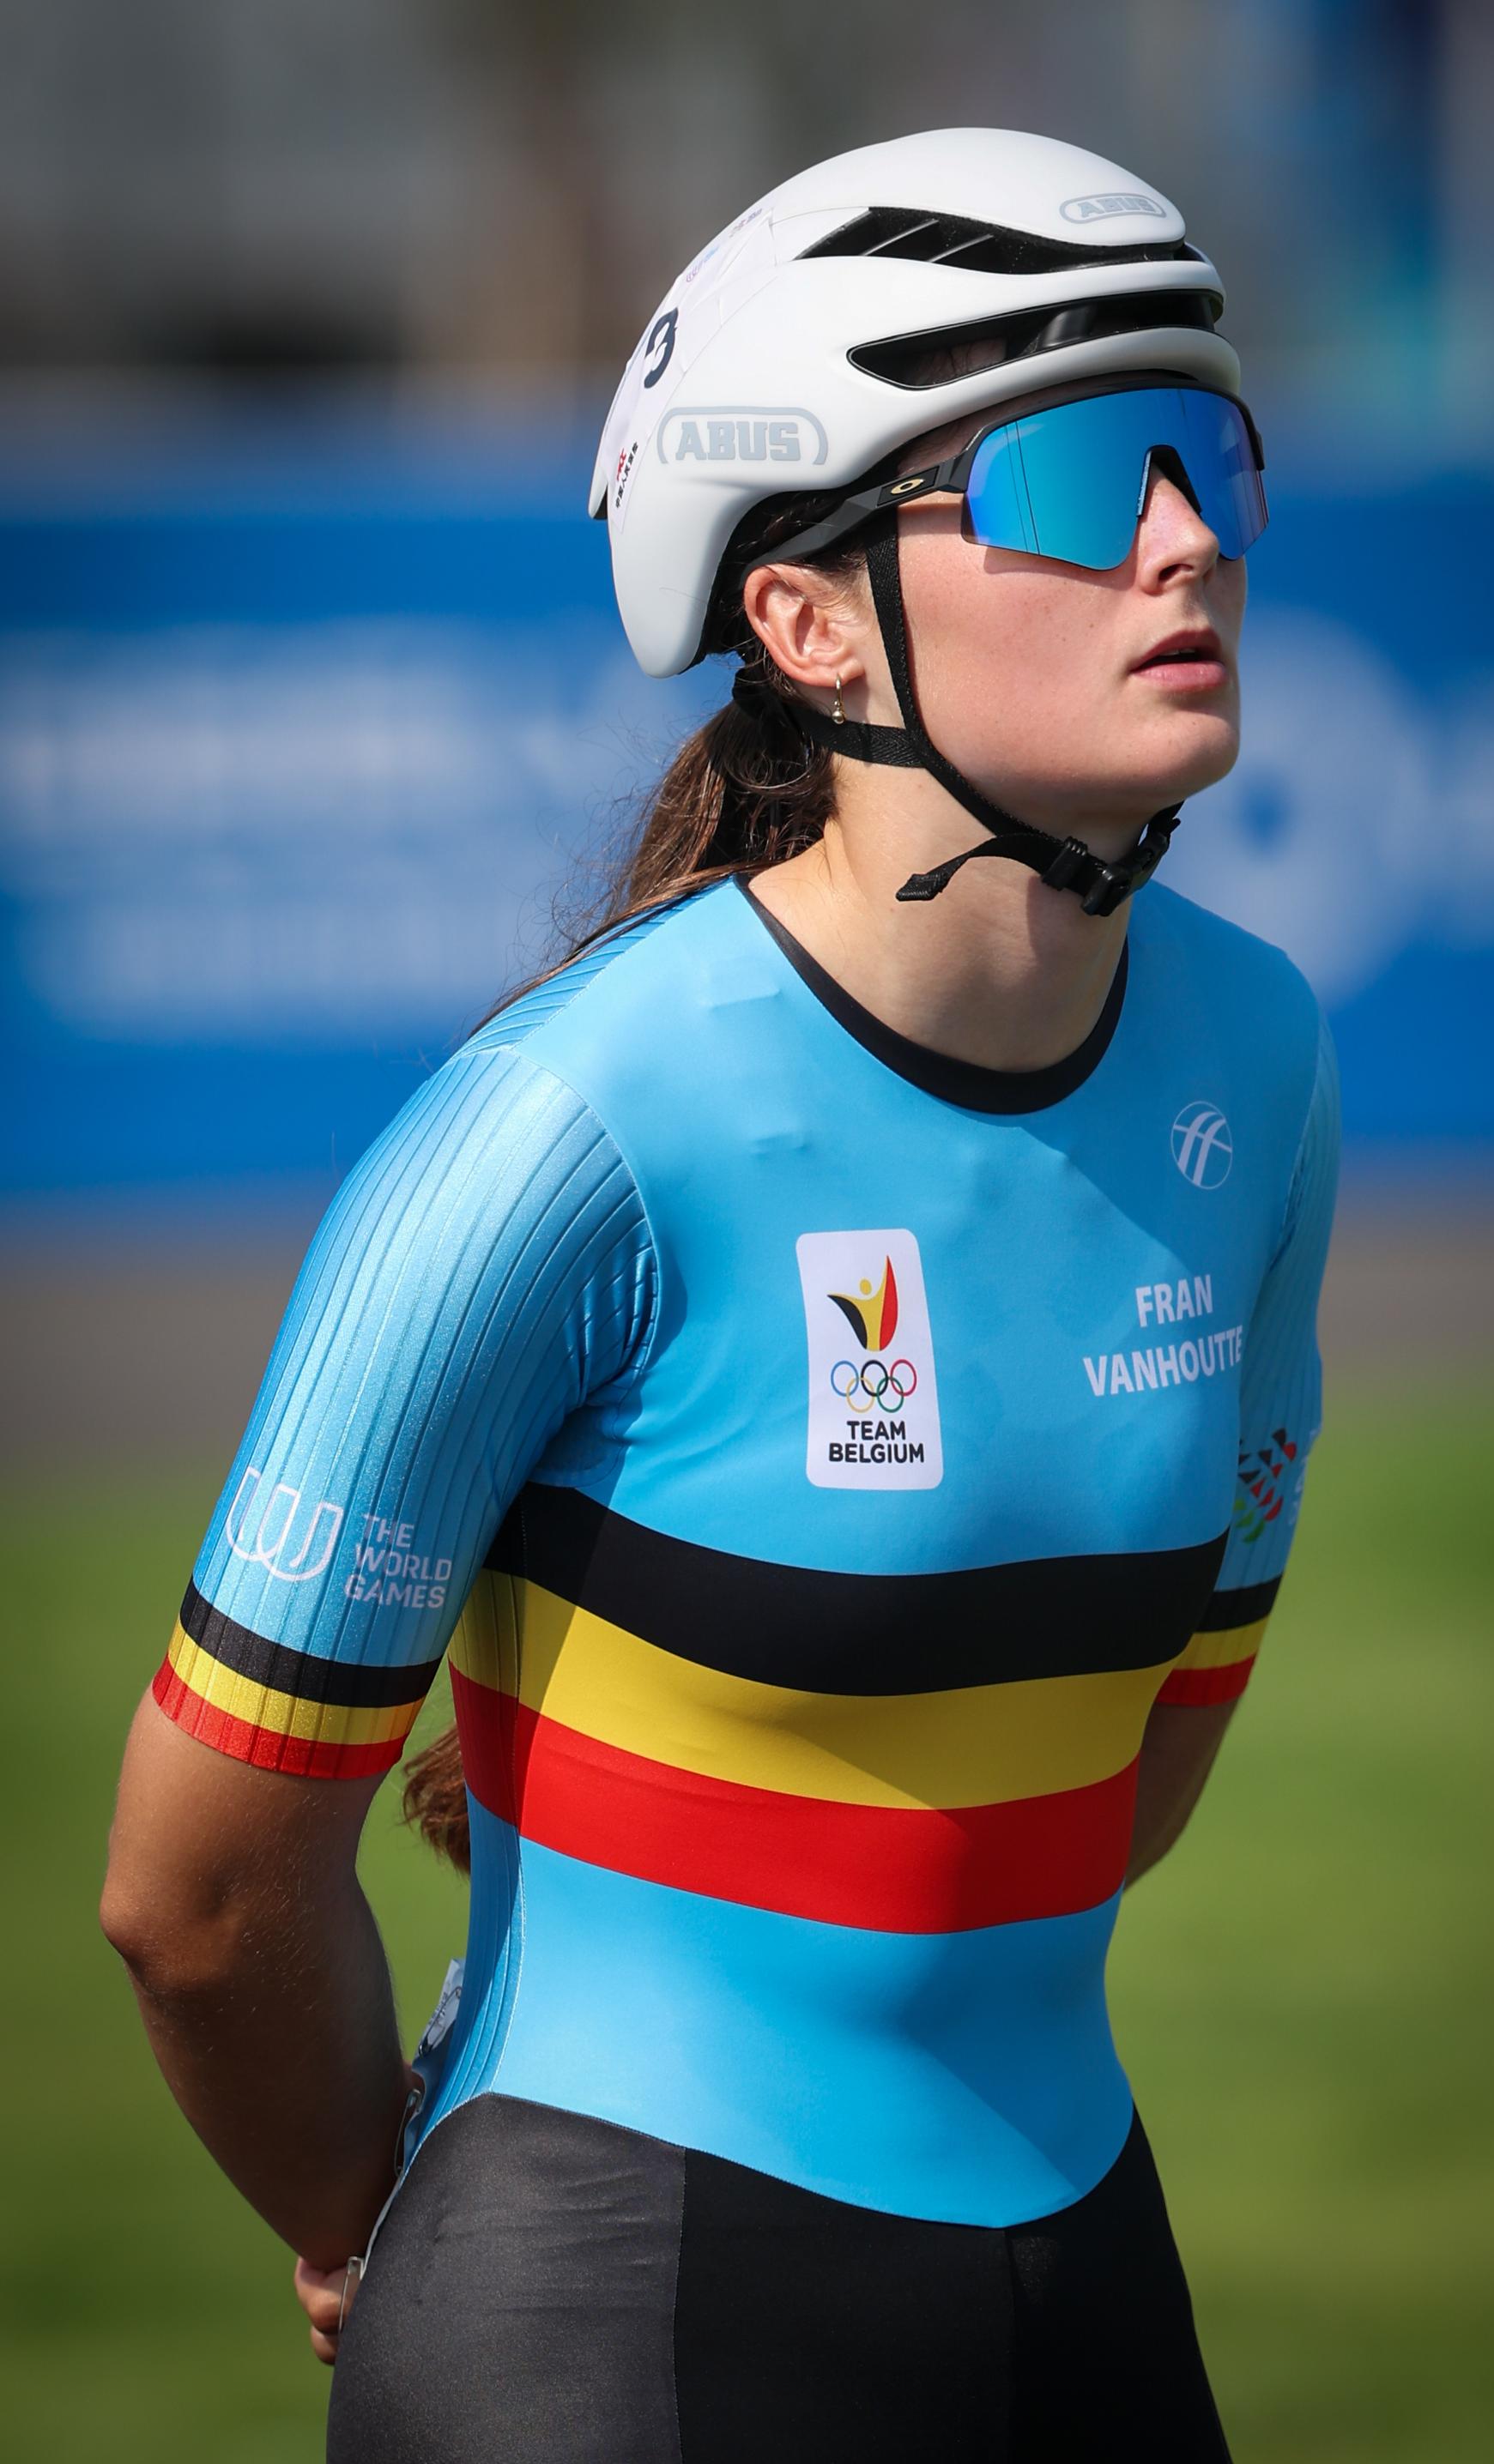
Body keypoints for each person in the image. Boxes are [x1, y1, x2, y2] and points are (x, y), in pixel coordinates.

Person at [100, 126, 1338, 2461]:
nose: (1187, 539)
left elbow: (1140, 1762)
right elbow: (196, 1891)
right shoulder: (562, 1131)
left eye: (1212, 458)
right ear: (806, 616)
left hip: (1085, 2284)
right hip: (603, 2316)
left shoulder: (1257, 1064)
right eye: (1085, 477)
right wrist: (376, 2230)